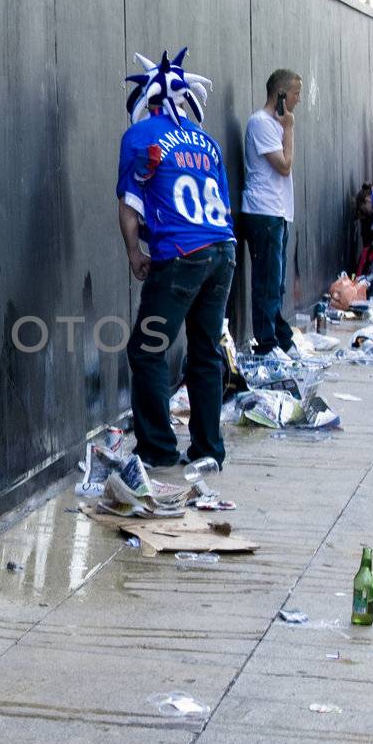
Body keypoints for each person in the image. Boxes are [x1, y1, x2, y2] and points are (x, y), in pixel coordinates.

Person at [118, 49, 235, 474]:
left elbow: (130, 206)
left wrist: (135, 253)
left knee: (147, 349)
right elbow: (219, 200)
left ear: (145, 100)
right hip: (223, 249)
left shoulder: (141, 136)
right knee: (205, 351)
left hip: (182, 254)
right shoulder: (208, 141)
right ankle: (208, 450)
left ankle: (157, 448)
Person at [239, 69, 301, 355]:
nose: (298, 100)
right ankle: (267, 344)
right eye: (296, 93)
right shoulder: (261, 123)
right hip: (262, 212)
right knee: (266, 281)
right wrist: (288, 128)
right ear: (280, 95)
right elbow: (284, 165)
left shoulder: (275, 124)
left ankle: (279, 336)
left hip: (277, 212)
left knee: (276, 283)